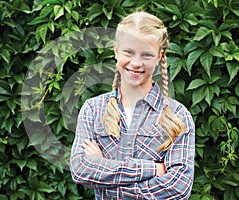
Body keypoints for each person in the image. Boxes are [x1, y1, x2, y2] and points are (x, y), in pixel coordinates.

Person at [70, 10, 195, 199]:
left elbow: (178, 188)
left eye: (146, 55)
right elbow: (81, 170)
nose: (136, 63)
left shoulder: (178, 115)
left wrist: (103, 169)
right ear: (116, 50)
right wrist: (152, 168)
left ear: (159, 56)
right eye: (128, 52)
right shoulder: (93, 109)